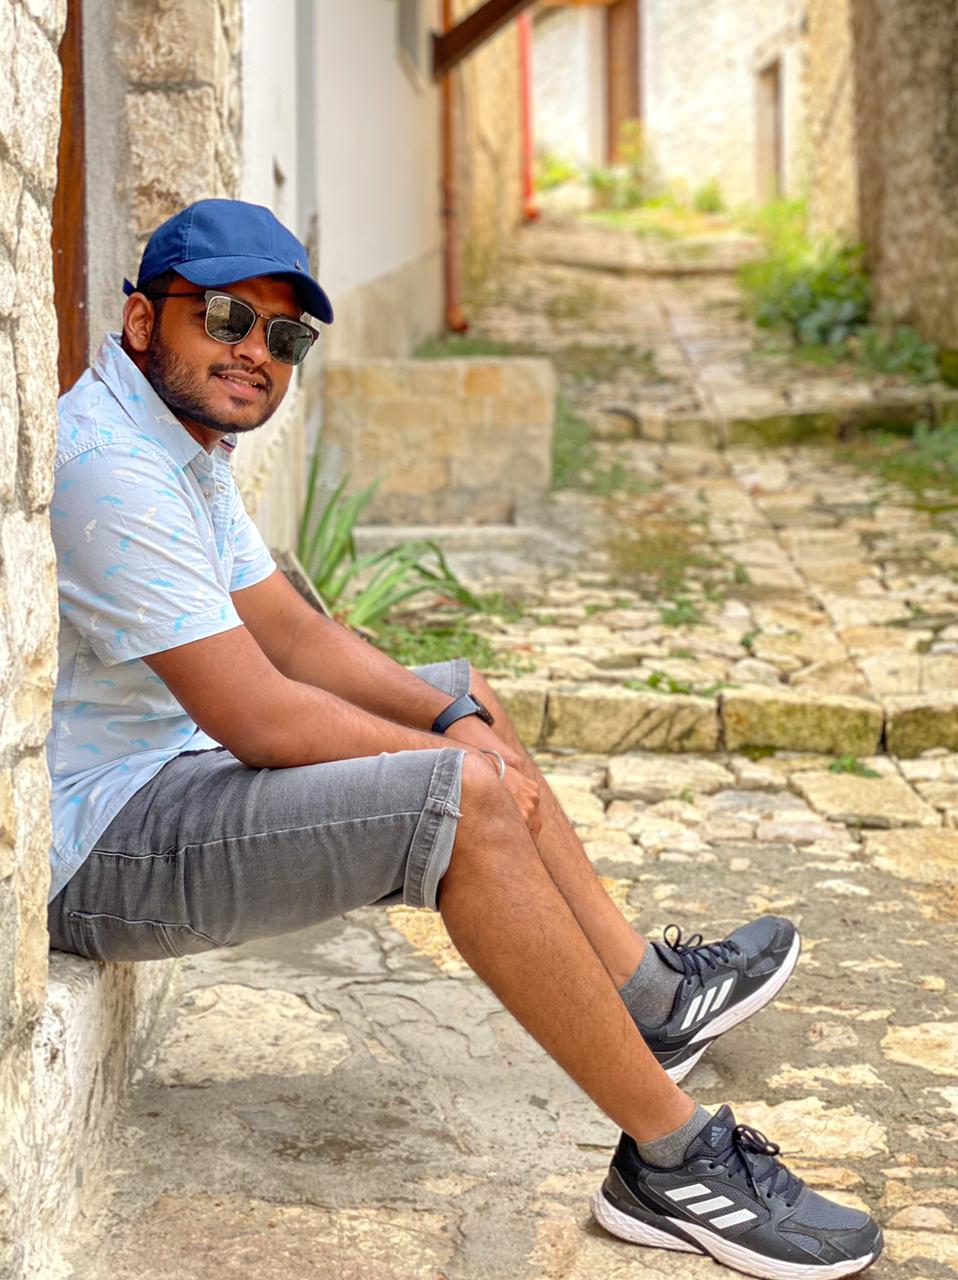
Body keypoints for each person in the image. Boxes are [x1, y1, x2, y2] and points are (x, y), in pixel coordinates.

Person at [45, 199, 882, 1279]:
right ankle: (673, 1162)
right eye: (225, 318)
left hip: (171, 773)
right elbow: (255, 711)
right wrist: (455, 762)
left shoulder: (182, 441)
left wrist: (448, 716)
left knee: (459, 696)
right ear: (142, 319)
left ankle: (651, 1000)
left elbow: (291, 632)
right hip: (102, 847)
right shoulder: (110, 463)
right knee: (461, 798)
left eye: (284, 336)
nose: (256, 351)